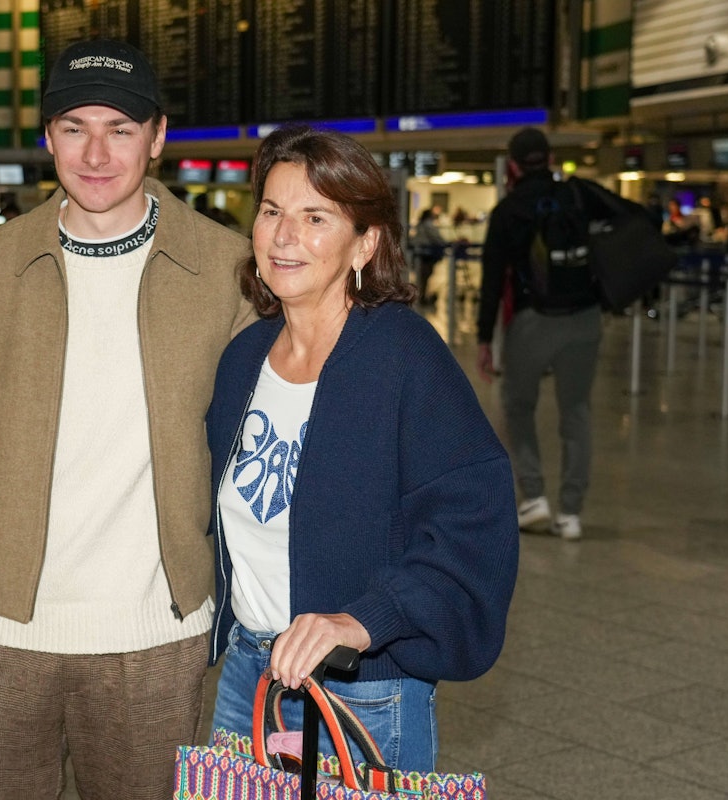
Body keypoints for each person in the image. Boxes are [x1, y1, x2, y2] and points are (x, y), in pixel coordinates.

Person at [0, 39, 254, 800]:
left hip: (154, 635)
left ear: (157, 136)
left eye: (120, 128)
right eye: (74, 127)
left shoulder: (227, 268)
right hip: (6, 625)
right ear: (48, 137)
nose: (96, 153)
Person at [206, 124, 519, 772]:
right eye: (272, 211)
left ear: (365, 242)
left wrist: (363, 618)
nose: (284, 236)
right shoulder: (243, 360)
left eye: (315, 217)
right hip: (248, 679)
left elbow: (474, 525)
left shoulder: (403, 357)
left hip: (361, 692)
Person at [476, 127, 602, 541]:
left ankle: (534, 497)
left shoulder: (509, 211)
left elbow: (493, 280)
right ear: (550, 159)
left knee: (517, 406)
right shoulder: (578, 195)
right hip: (585, 318)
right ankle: (571, 513)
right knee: (576, 411)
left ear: (513, 166)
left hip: (532, 322)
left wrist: (484, 339)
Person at [411, 206, 446, 306]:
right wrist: (445, 243)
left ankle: (421, 296)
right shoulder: (428, 225)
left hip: (420, 254)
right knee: (424, 276)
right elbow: (436, 237)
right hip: (426, 255)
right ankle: (422, 297)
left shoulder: (419, 225)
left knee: (422, 277)